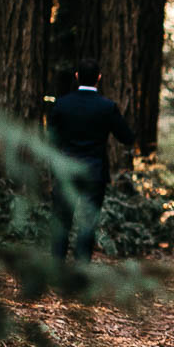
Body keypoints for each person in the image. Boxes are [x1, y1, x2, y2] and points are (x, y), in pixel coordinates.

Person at [47, 57, 134, 264]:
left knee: (62, 221)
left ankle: (56, 269)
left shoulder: (62, 104)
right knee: (87, 225)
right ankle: (81, 271)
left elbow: (50, 138)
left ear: (77, 76)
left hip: (66, 170)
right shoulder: (107, 107)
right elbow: (127, 138)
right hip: (94, 174)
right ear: (99, 78)